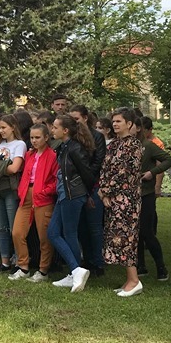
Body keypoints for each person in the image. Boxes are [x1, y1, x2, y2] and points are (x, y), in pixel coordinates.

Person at [48, 115, 96, 293]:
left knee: (69, 233)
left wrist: (86, 194)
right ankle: (75, 271)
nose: (52, 130)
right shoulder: (65, 146)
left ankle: (75, 271)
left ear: (65, 130)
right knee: (53, 233)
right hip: (64, 194)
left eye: (55, 127)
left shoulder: (75, 148)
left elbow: (88, 174)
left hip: (72, 195)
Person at [100, 108, 145, 297]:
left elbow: (124, 173)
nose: (115, 124)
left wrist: (107, 191)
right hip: (113, 199)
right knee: (116, 238)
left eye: (119, 121)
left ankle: (134, 280)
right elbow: (105, 169)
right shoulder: (113, 144)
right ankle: (129, 280)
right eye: (114, 121)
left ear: (129, 123)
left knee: (127, 238)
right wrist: (103, 192)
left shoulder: (134, 145)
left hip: (127, 200)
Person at [9, 123, 58, 282]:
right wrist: (22, 190)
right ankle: (23, 266)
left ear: (46, 137)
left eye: (37, 137)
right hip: (26, 196)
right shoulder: (30, 154)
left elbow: (56, 179)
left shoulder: (52, 156)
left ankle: (43, 270)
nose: (34, 141)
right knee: (17, 232)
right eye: (32, 138)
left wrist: (45, 191)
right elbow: (25, 175)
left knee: (44, 237)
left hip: (43, 198)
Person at [0, 114, 27, 274]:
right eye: (0, 128)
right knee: (1, 227)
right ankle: (4, 261)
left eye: (4, 127)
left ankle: (18, 259)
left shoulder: (19, 144)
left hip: (10, 188)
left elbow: (14, 168)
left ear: (13, 127)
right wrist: (4, 165)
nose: (1, 130)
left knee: (13, 227)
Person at [135, 118, 171, 281]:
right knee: (135, 233)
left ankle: (161, 267)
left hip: (146, 194)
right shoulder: (125, 147)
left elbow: (168, 159)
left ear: (137, 128)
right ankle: (140, 265)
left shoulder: (148, 146)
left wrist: (153, 172)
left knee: (146, 232)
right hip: (131, 195)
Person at [71, 105, 107, 277]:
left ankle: (98, 262)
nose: (74, 122)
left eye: (76, 119)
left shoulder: (97, 136)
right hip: (77, 186)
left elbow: (98, 161)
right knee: (81, 226)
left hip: (92, 185)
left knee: (94, 226)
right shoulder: (73, 137)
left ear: (85, 118)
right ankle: (87, 259)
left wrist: (86, 180)